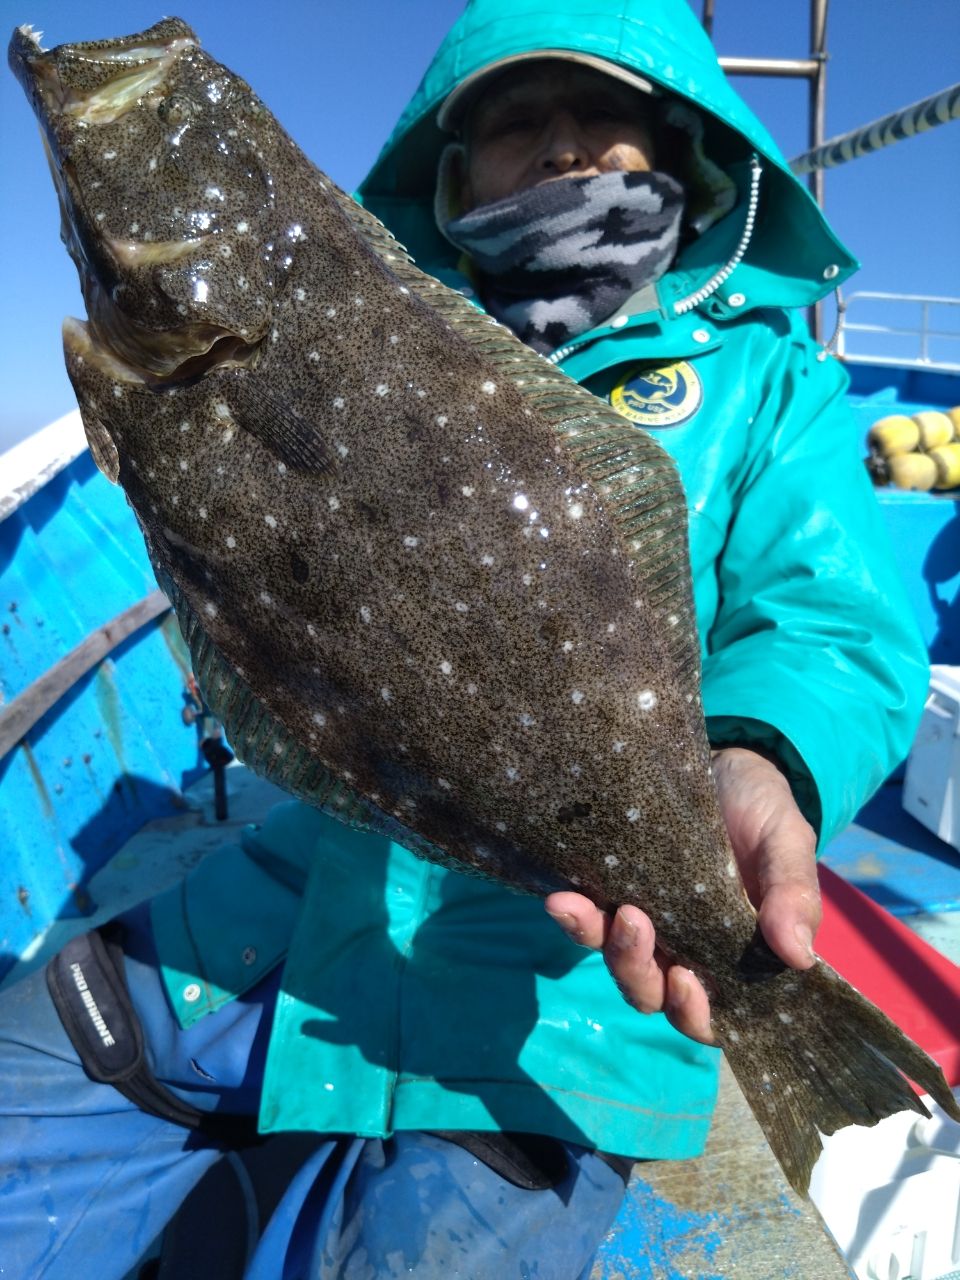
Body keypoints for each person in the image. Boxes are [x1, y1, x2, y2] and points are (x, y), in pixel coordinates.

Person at [0, 1, 928, 1277]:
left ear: (681, 153)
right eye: (514, 122)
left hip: (575, 1000)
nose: (558, 150)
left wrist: (757, 752)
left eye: (599, 116)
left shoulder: (776, 389)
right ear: (449, 176)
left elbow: (832, 621)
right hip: (294, 897)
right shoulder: (344, 330)